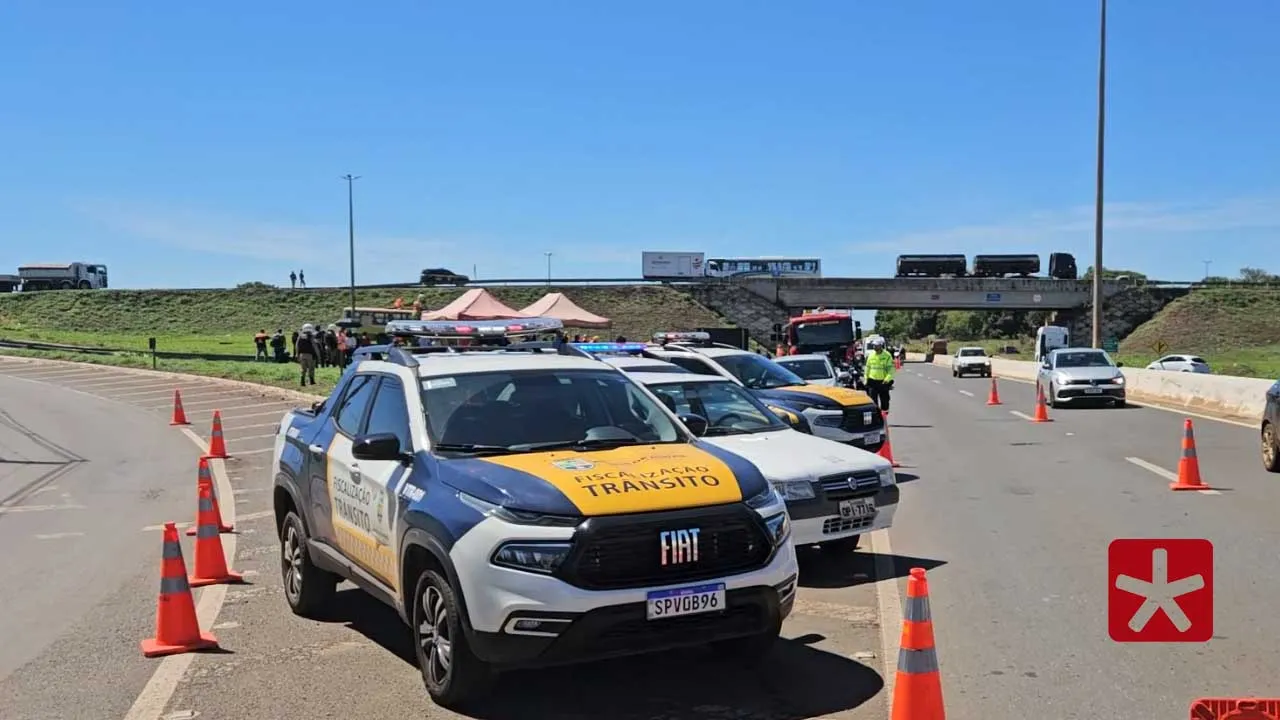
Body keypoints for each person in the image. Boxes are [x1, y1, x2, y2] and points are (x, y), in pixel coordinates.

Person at [864, 338, 895, 413]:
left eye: (876, 345)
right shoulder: (871, 355)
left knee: (885, 401)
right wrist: (866, 379)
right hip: (872, 382)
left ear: (881, 346)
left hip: (883, 382)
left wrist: (887, 379)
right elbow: (867, 368)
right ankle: (876, 417)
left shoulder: (887, 356)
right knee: (873, 401)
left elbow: (891, 370)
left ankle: (884, 417)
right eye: (874, 345)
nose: (874, 347)